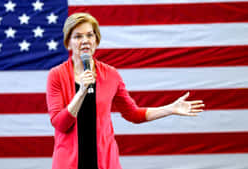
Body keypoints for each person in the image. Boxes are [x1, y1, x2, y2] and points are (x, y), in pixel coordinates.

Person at [46, 13, 204, 169]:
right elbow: (60, 124)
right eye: (78, 36)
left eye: (90, 35)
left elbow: (133, 114)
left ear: (96, 40)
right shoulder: (57, 75)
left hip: (105, 162)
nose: (85, 41)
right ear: (68, 43)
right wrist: (81, 93)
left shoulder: (111, 74)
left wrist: (170, 109)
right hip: (68, 163)